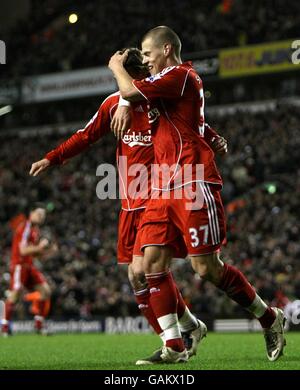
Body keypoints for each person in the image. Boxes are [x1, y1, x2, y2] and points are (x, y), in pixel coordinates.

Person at [30, 48, 227, 363]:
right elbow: (86, 135)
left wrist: (213, 136)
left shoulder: (157, 99)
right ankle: (189, 327)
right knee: (137, 276)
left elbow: (189, 121)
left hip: (161, 197)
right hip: (129, 202)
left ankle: (174, 343)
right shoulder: (113, 104)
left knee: (145, 269)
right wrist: (53, 157)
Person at [108, 26, 286, 363]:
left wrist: (116, 68)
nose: (145, 62)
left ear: (165, 49)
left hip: (192, 180)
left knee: (206, 270)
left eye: (148, 55)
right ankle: (174, 347)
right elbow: (184, 119)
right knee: (149, 264)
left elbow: (132, 93)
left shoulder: (181, 74)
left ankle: (269, 317)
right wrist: (211, 134)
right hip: (161, 185)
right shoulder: (167, 84)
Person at [1, 205, 56, 336]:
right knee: (15, 295)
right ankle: (4, 327)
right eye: (38, 214)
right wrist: (41, 246)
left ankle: (39, 325)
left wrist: (49, 251)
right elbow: (23, 251)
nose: (41, 217)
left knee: (46, 291)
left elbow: (35, 254)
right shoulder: (24, 227)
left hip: (29, 266)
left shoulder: (35, 230)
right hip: (19, 265)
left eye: (43, 215)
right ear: (31, 213)